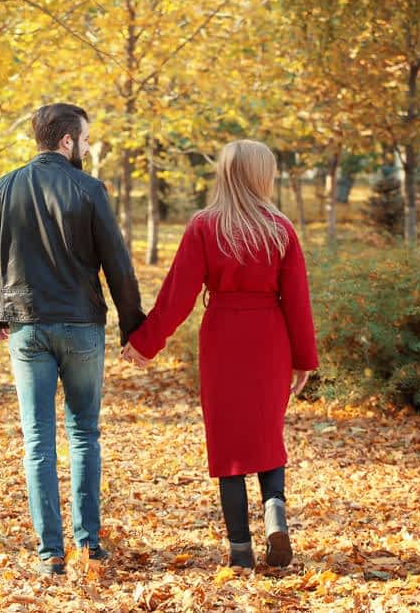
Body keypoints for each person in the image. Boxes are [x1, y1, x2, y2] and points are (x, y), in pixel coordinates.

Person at [0, 103, 145, 576]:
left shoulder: (1, 189)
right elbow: (118, 266)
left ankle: (50, 554)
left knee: (38, 440)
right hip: (82, 325)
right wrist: (133, 328)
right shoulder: (89, 189)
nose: (87, 147)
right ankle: (89, 545)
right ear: (67, 141)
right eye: (85, 139)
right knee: (84, 433)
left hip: (25, 326)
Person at [121, 139, 318, 569]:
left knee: (228, 445)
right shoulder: (280, 229)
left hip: (223, 339)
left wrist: (145, 342)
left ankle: (240, 552)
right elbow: (298, 301)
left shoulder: (205, 227)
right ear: (261, 176)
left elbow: (178, 296)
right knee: (267, 436)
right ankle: (274, 511)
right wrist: (303, 358)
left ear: (225, 174)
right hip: (270, 339)